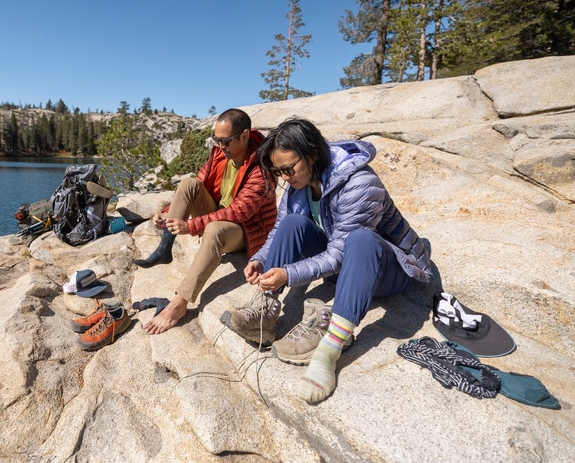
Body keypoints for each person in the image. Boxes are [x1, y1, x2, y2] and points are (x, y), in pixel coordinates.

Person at [221, 117, 431, 403]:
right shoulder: (298, 183)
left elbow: (340, 254)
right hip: (342, 265)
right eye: (278, 170)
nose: (284, 177)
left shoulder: (360, 183)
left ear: (312, 155)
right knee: (294, 221)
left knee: (360, 238)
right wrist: (260, 258)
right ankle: (266, 313)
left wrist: (289, 274)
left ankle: (330, 349)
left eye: (288, 168)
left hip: (387, 269)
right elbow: (280, 229)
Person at [139, 108, 278, 334]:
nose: (220, 146)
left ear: (244, 136)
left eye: (225, 141)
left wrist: (191, 226)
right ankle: (165, 247)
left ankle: (180, 303)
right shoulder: (221, 154)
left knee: (214, 229)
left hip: (245, 230)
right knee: (188, 183)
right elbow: (199, 184)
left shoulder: (262, 168)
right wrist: (167, 213)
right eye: (217, 140)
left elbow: (238, 213)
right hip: (219, 214)